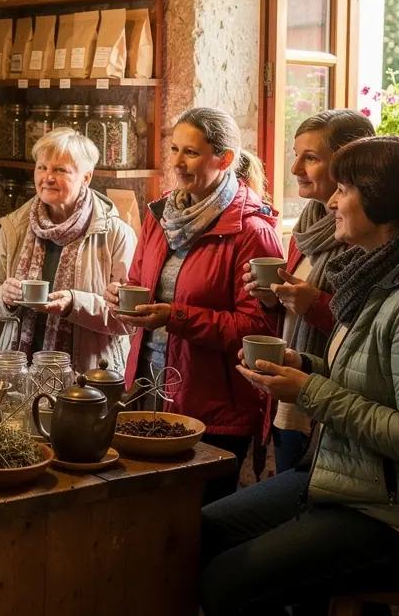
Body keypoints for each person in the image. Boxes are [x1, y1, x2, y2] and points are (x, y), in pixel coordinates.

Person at [196, 136, 399, 616]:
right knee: (205, 531)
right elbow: (371, 386)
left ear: (382, 203)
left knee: (228, 585)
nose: (331, 202)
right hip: (357, 481)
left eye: (343, 189)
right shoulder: (381, 277)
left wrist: (309, 393)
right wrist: (303, 367)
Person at [104, 107, 283, 500]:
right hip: (150, 386)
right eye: (174, 149)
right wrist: (124, 295)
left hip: (214, 406)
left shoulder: (251, 230)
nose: (177, 162)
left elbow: (259, 329)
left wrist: (176, 317)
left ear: (225, 159)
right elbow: (139, 281)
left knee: (197, 520)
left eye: (191, 152)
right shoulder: (160, 215)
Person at [242, 109, 374, 472]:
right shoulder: (308, 225)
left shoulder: (367, 237)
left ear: (349, 161)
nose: (295, 168)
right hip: (292, 399)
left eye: (310, 158)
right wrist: (272, 299)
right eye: (295, 154)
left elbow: (370, 334)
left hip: (332, 404)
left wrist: (314, 305)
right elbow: (289, 315)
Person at [0, 127, 137, 372]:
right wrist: (4, 299)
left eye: (60, 170)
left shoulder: (116, 233)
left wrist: (75, 304)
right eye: (42, 167)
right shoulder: (15, 227)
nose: (47, 177)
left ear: (86, 177)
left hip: (91, 375)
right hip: (21, 371)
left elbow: (130, 319)